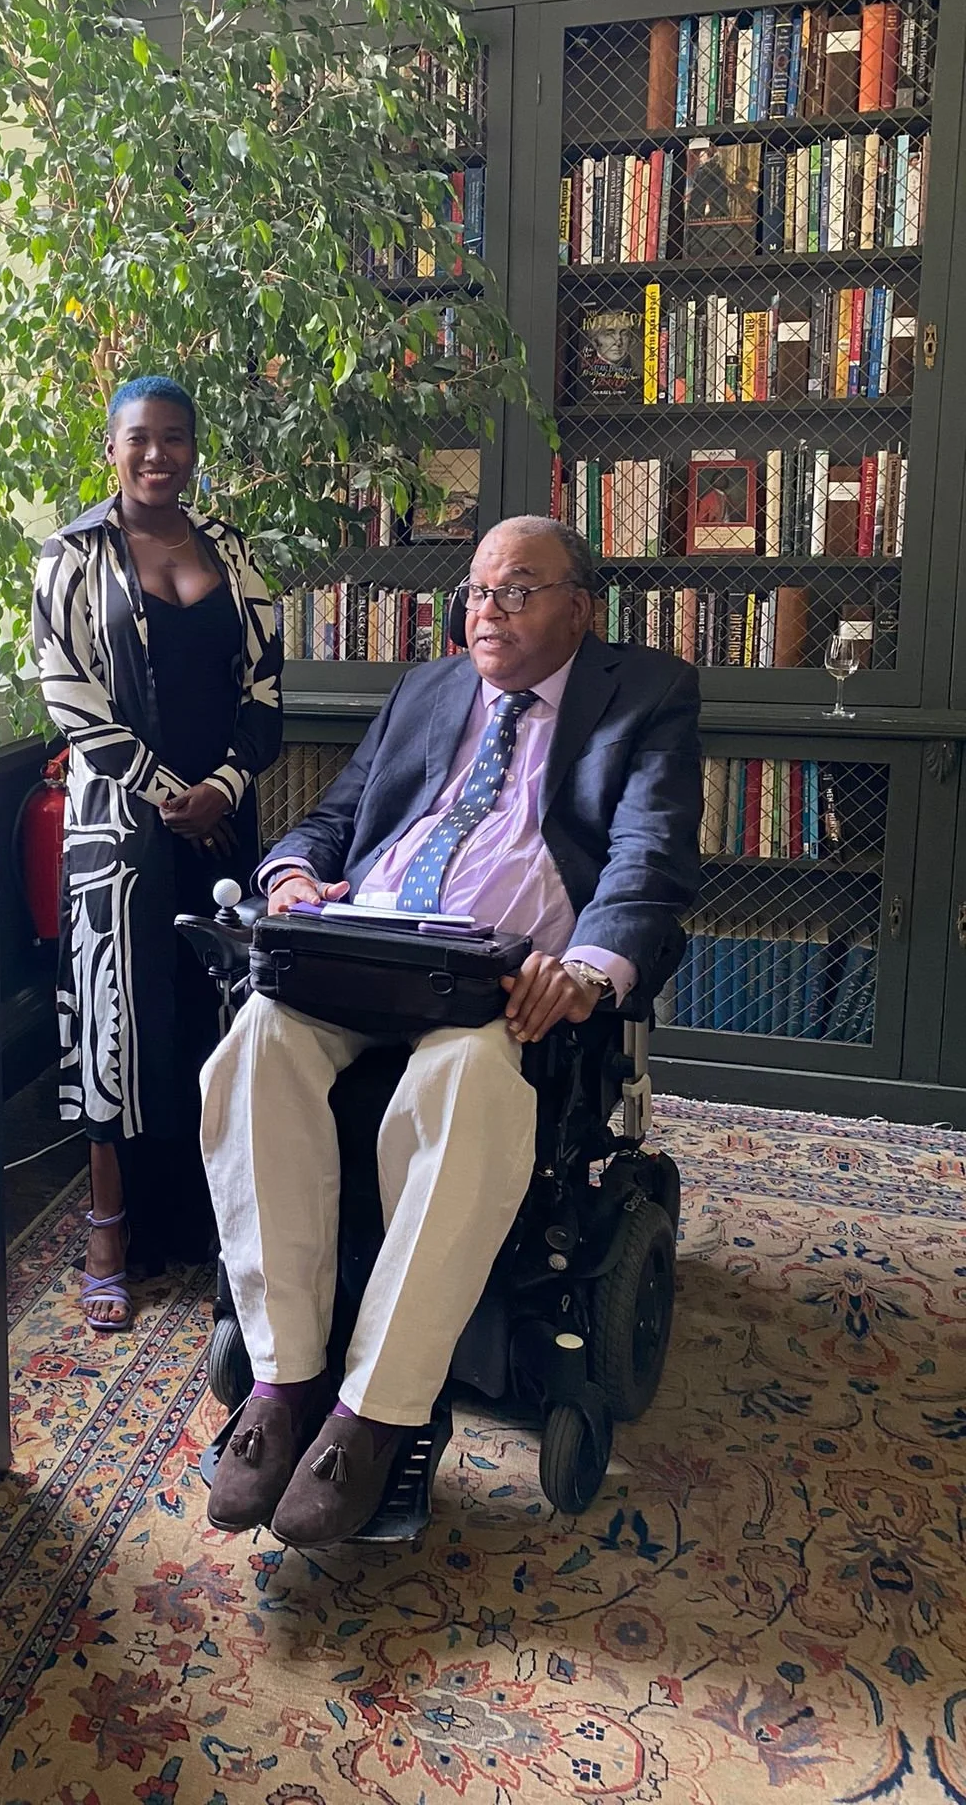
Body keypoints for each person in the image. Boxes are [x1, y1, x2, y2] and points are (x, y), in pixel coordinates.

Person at [199, 515, 701, 1547]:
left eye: (516, 589)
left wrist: (587, 970)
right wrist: (291, 873)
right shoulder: (426, 689)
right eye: (475, 591)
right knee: (254, 1039)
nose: (486, 611)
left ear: (579, 605)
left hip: (505, 978)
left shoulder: (644, 693)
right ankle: (286, 1380)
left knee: (467, 1076)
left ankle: (371, 1415)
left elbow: (650, 860)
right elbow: (335, 818)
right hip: (367, 947)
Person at [33, 376, 283, 1331]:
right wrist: (165, 792)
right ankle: (108, 1229)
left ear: (192, 449)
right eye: (139, 439)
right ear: (112, 448)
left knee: (219, 1014)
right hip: (120, 833)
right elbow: (67, 694)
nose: (157, 456)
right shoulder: (69, 556)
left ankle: (220, 1220)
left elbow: (265, 682)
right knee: (118, 1023)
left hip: (223, 820)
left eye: (174, 439)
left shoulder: (231, 548)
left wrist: (223, 784)